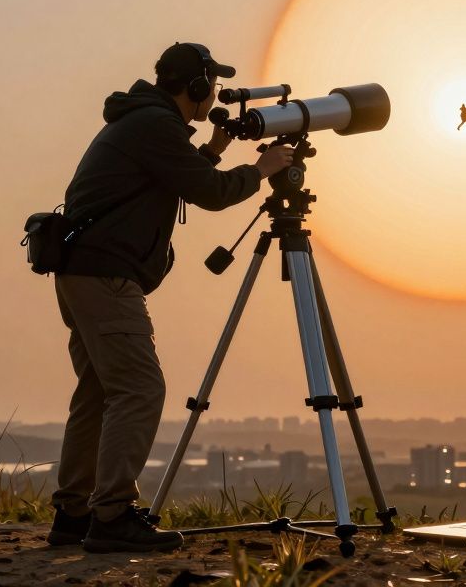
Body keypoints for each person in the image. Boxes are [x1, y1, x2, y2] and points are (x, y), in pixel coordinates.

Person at [45, 42, 294, 553]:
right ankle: (111, 516)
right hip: (106, 277)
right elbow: (212, 193)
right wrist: (263, 169)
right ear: (196, 86)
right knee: (140, 389)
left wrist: (214, 151)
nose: (216, 95)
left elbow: (171, 180)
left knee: (99, 392)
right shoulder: (155, 125)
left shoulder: (143, 120)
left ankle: (74, 514)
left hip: (83, 273)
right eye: (212, 84)